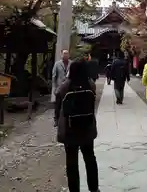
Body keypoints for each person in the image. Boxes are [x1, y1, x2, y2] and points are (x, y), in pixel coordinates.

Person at [54, 59, 100, 192]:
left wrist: (57, 120)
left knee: (72, 162)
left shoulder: (66, 85)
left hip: (70, 129)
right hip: (87, 127)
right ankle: (94, 188)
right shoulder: (90, 84)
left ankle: (74, 189)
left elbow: (57, 96)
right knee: (90, 158)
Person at [52, 50, 71, 124]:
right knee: (58, 105)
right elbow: (54, 76)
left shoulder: (71, 63)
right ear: (61, 55)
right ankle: (56, 119)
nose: (66, 55)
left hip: (68, 87)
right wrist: (54, 87)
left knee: (68, 103)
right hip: (59, 87)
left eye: (67, 53)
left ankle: (66, 119)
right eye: (64, 53)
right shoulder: (57, 64)